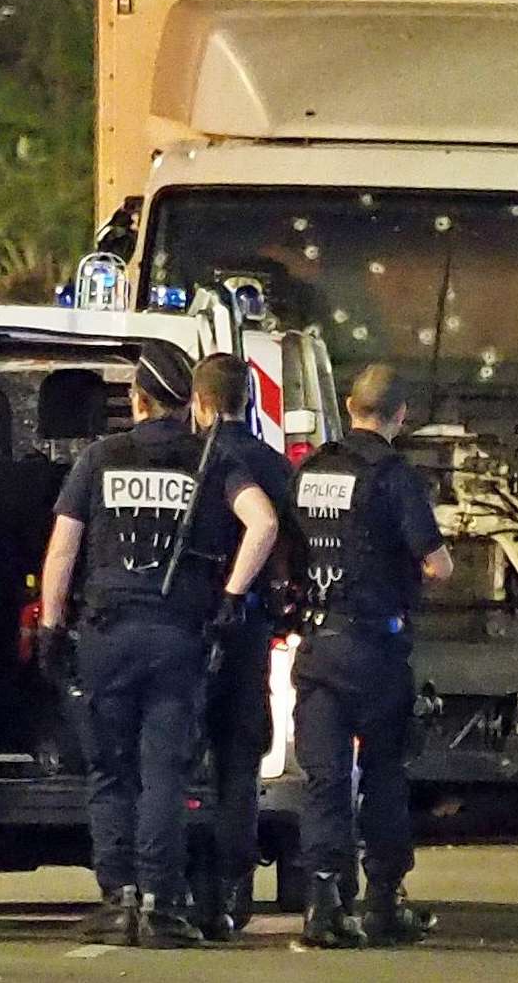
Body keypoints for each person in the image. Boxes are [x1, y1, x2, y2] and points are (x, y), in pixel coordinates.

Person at [40, 341, 279, 948]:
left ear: (137, 398)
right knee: (163, 774)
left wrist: (49, 625)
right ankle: (160, 900)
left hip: (107, 633)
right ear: (187, 404)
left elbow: (63, 549)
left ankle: (116, 898)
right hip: (178, 637)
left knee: (111, 773)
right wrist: (231, 593)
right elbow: (264, 523)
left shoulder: (100, 457)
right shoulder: (210, 459)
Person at [290, 364, 451, 950]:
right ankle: (384, 901)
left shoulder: (308, 470)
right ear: (400, 415)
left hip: (318, 645)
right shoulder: (392, 477)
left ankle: (325, 902)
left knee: (325, 779)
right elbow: (436, 563)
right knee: (383, 775)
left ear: (349, 407)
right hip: (376, 651)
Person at [190, 351, 296, 941]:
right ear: (248, 400)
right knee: (237, 762)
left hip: (187, 627)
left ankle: (184, 886)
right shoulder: (276, 466)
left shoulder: (193, 461)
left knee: (178, 758)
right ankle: (233, 891)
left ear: (200, 402)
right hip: (249, 628)